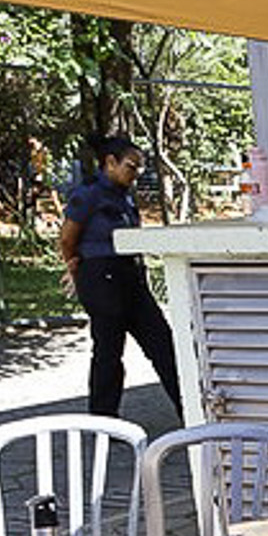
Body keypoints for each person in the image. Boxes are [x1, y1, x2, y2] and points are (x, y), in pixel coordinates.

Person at [58, 135, 182, 418]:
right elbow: (67, 238)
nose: (136, 174)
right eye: (131, 166)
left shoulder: (124, 194)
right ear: (109, 163)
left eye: (139, 168)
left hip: (130, 274)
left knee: (162, 344)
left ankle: (191, 411)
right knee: (109, 352)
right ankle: (104, 419)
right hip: (101, 277)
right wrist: (74, 267)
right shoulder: (88, 193)